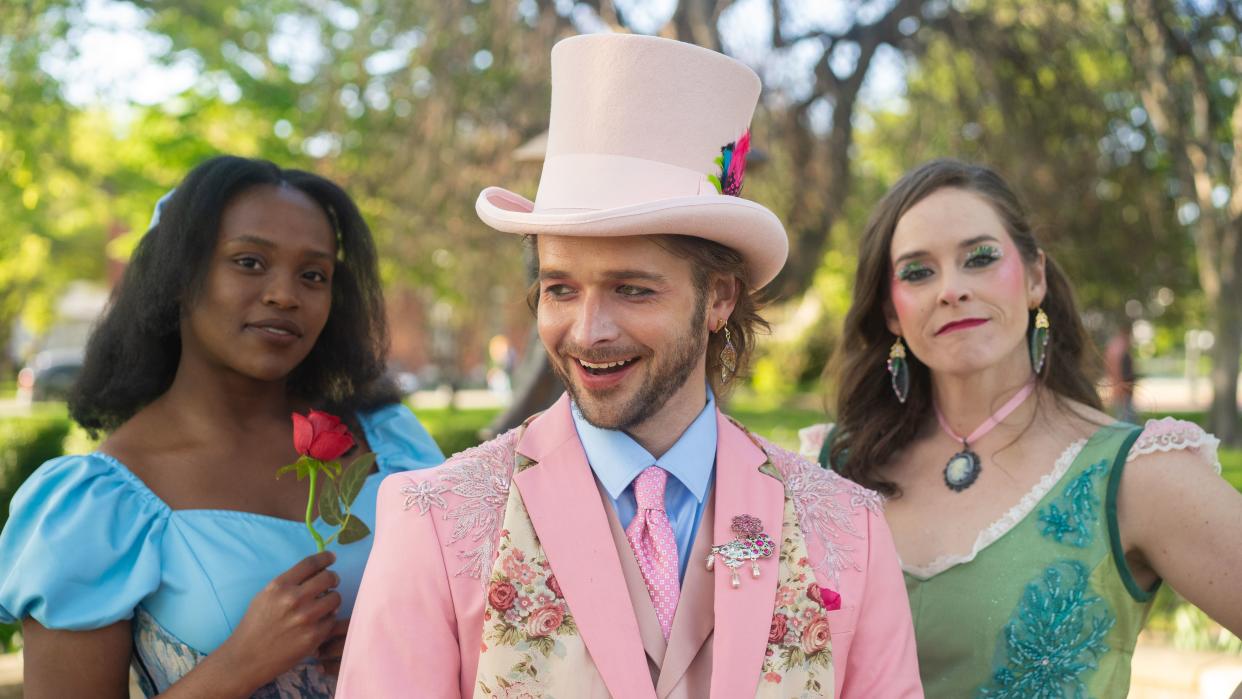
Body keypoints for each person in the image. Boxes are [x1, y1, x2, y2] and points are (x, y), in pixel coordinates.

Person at [337, 33, 921, 698]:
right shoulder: (434, 522)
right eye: (560, 287)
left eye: (632, 289)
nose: (588, 331)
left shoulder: (848, 529)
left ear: (719, 296)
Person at [0, 155, 444, 698]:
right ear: (180, 275)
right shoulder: (96, 505)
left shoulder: (390, 443)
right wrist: (241, 663)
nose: (285, 294)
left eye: (313, 274)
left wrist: (404, 646)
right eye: (250, 262)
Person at [801, 159, 1242, 698]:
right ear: (891, 312)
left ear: (1035, 278)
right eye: (918, 271)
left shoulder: (1134, 475)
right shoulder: (830, 470)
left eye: (980, 258)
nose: (951, 289)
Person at [1104, 319, 1138, 423]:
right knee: (1125, 417)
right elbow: (1114, 367)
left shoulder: (1121, 346)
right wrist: (1119, 385)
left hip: (1125, 387)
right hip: (1122, 387)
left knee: (1127, 414)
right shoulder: (1119, 346)